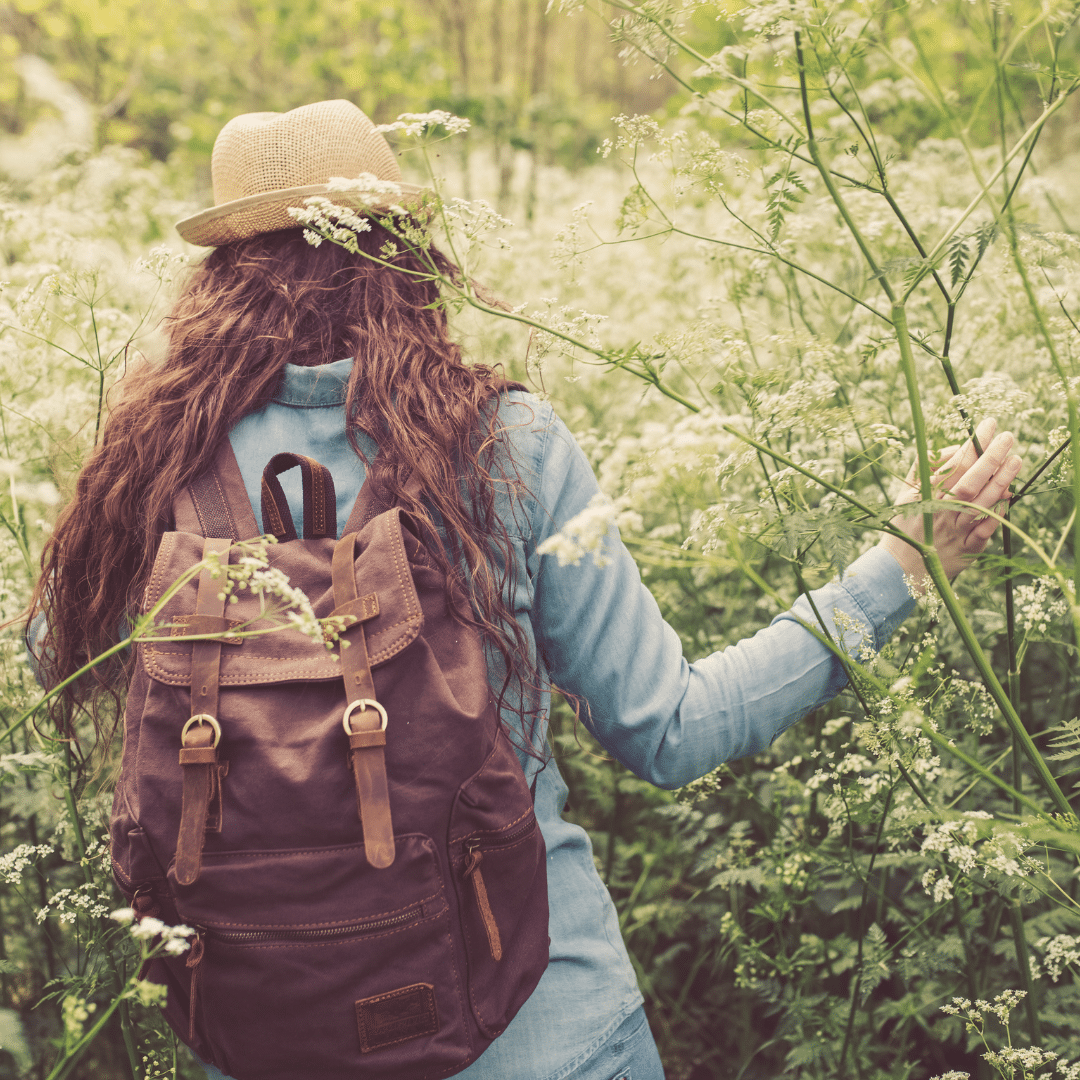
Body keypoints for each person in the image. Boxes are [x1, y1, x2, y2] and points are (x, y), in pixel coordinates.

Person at [29, 100, 1021, 1080]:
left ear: (219, 276)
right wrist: (895, 570)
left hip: (260, 1032)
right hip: (541, 1029)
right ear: (404, 253)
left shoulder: (151, 468)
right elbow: (669, 731)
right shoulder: (500, 444)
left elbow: (51, 654)